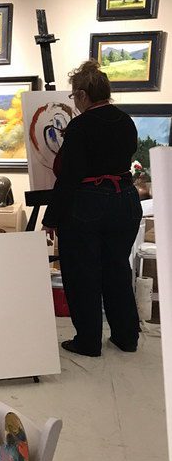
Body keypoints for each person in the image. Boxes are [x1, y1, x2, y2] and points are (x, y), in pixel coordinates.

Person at [42, 59, 142, 357]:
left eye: (74, 96)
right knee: (116, 268)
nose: (75, 101)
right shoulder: (125, 121)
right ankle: (126, 337)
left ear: (84, 95)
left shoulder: (81, 125)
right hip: (125, 200)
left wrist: (51, 218)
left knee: (82, 273)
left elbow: (70, 176)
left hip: (89, 204)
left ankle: (87, 342)